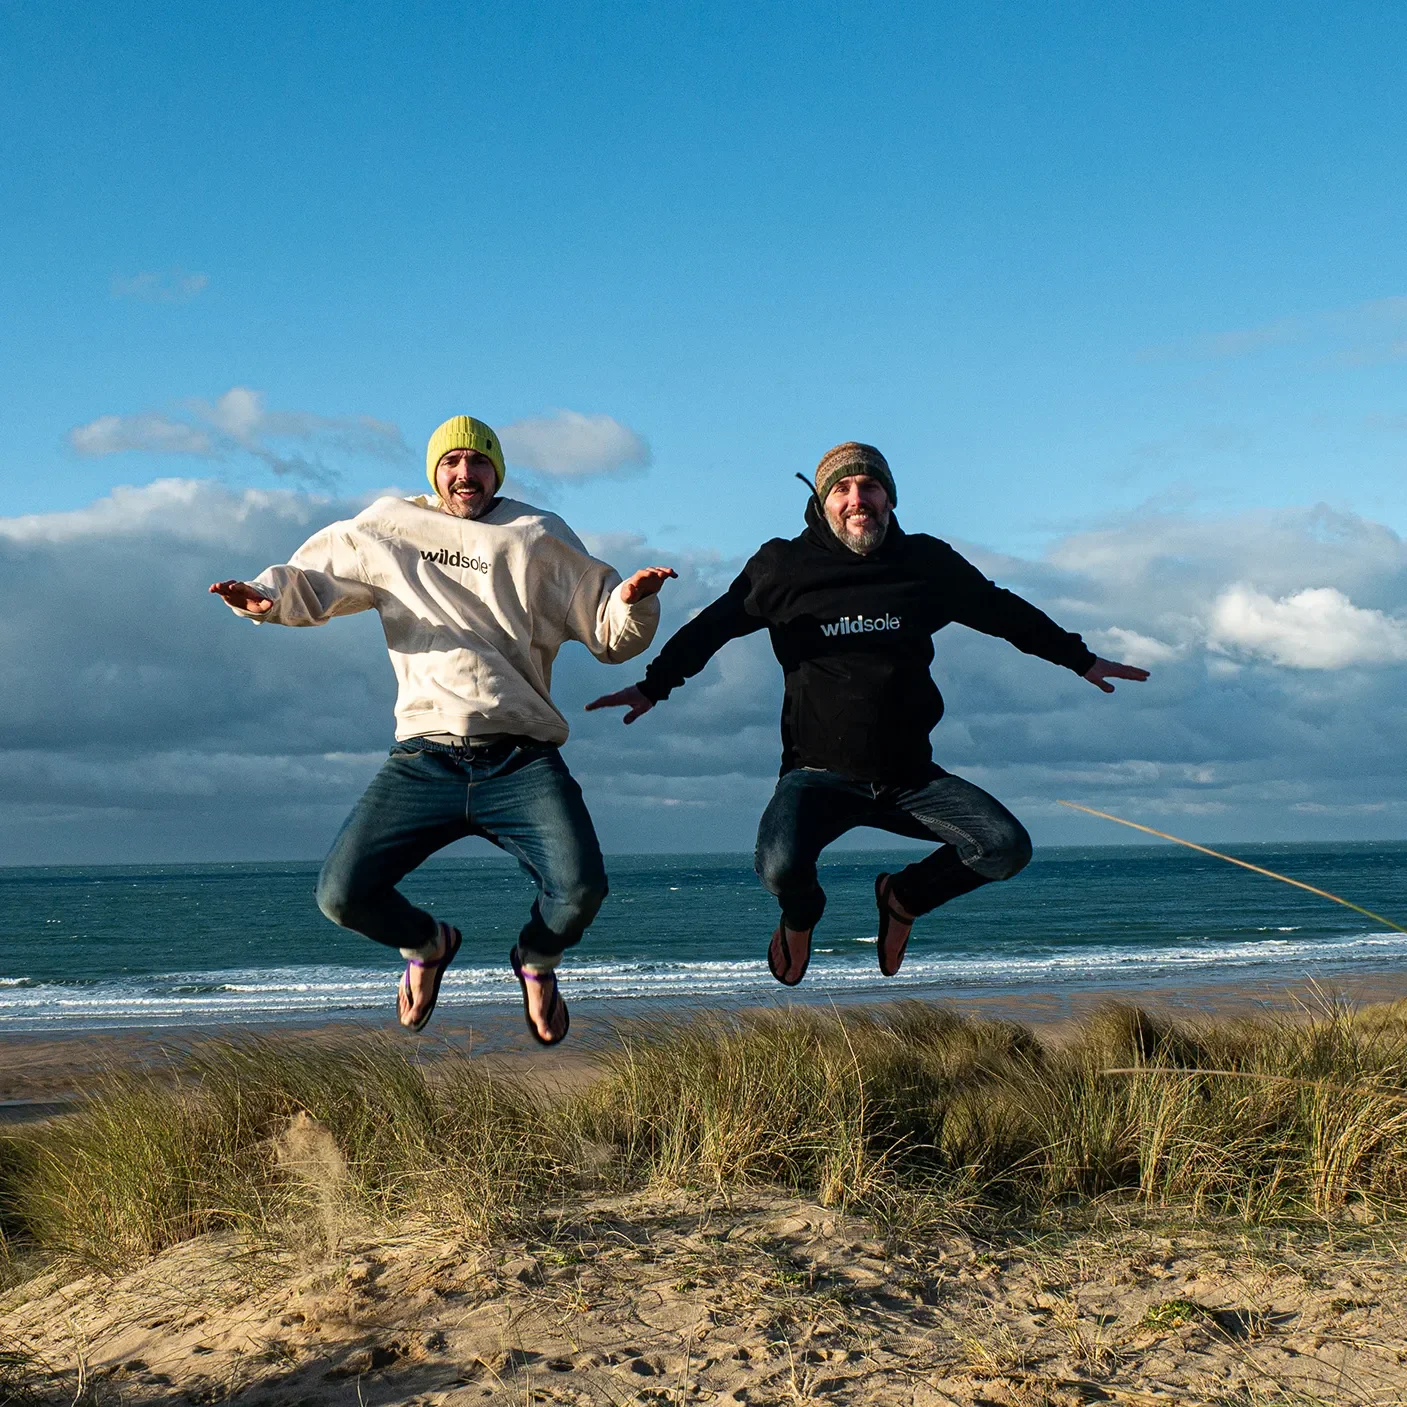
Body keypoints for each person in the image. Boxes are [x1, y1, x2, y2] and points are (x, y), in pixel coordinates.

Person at [587, 441, 1147, 984]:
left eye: (871, 486)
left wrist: (1080, 659)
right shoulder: (783, 566)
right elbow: (713, 627)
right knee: (779, 870)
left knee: (1005, 847)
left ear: (890, 499)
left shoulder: (924, 563)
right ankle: (802, 917)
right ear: (822, 501)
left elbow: (1002, 611)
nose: (858, 499)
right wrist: (654, 686)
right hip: (816, 779)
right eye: (843, 489)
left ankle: (903, 897)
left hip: (911, 780)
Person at [211, 414, 675, 1044]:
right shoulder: (391, 525)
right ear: (434, 471)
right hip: (425, 758)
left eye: (479, 461)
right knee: (342, 894)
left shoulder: (536, 534)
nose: (465, 473)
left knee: (581, 890)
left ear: (497, 471)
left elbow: (607, 631)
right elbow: (313, 577)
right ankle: (427, 945)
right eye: (451, 462)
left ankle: (536, 959)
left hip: (521, 760)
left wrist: (633, 601)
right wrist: (265, 598)